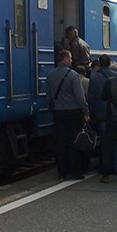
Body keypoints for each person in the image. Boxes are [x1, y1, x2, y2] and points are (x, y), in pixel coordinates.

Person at [46, 50, 90, 180]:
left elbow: (49, 96)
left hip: (58, 113)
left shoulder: (50, 75)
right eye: (70, 58)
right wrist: (86, 112)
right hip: (73, 113)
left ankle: (62, 172)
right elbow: (80, 97)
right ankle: (74, 171)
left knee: (60, 143)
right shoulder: (73, 75)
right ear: (65, 59)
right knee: (73, 142)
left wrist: (52, 108)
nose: (71, 60)